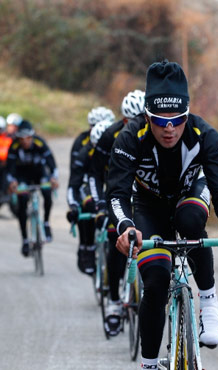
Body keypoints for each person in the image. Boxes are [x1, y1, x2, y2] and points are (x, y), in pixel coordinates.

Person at [106, 60, 218, 369]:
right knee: (155, 281)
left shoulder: (204, 134)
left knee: (190, 218)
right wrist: (126, 227)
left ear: (187, 114)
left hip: (190, 195)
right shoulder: (130, 138)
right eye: (160, 120)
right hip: (148, 207)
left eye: (177, 119)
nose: (169, 129)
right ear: (147, 116)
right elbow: (117, 193)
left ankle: (208, 302)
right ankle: (149, 363)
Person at [88, 89, 145, 336]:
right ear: (122, 121)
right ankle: (113, 302)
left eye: (141, 119)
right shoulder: (110, 136)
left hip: (143, 195)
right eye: (129, 122)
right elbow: (93, 174)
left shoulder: (153, 134)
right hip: (117, 193)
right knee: (115, 243)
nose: (135, 126)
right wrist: (101, 205)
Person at [66, 119, 114, 274]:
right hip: (88, 185)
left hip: (107, 183)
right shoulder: (83, 154)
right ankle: (87, 247)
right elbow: (73, 185)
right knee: (88, 203)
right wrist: (73, 206)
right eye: (96, 148)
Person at [6, 120, 59, 257]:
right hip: (22, 176)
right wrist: (12, 182)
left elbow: (51, 161)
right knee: (22, 202)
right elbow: (9, 168)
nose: (25, 142)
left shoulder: (39, 142)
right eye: (22, 139)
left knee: (47, 193)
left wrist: (54, 177)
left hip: (39, 173)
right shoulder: (14, 146)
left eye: (28, 138)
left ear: (32, 136)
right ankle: (24, 239)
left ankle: (46, 223)